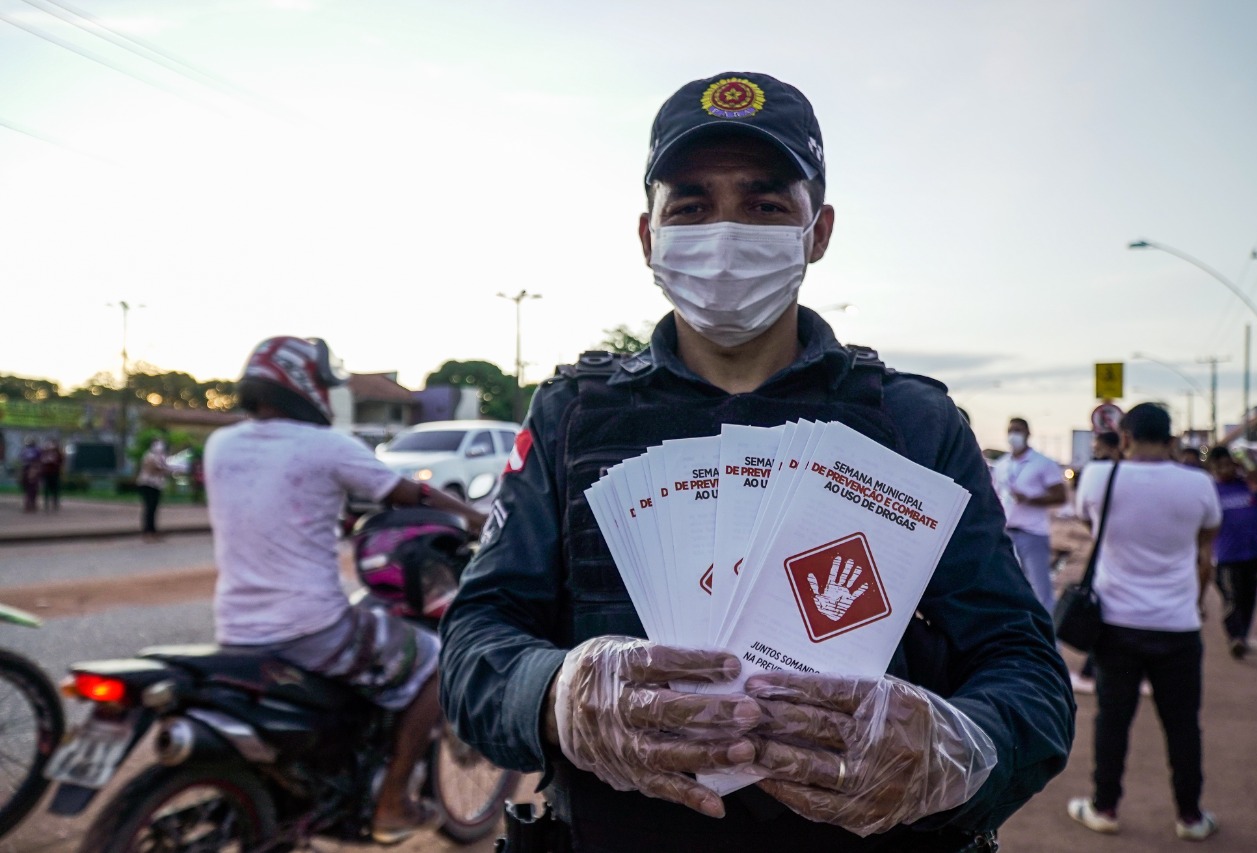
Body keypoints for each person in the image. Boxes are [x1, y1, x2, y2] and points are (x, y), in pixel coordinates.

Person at [439, 72, 1073, 852]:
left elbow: (1026, 669)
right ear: (649, 236)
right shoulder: (572, 416)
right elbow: (476, 641)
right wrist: (555, 694)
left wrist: (960, 749)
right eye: (693, 206)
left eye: (766, 204)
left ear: (819, 230)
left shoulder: (913, 424)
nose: (726, 234)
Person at [204, 336, 487, 844]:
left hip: (235, 629)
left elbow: (278, 509)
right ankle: (393, 802)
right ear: (302, 383)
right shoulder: (326, 447)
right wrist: (475, 517)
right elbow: (410, 491)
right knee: (436, 659)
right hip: (312, 626)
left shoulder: (221, 444)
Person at [1068, 403, 1221, 842]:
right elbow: (1204, 555)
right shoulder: (1199, 483)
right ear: (1172, 440)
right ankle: (1190, 817)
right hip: (1178, 623)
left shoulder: (1100, 477)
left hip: (1116, 623)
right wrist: (1194, 602)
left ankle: (1104, 807)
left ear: (1126, 438)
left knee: (1112, 720)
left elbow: (1089, 524)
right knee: (1183, 725)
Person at [1206, 445, 1257, 659]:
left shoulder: (1249, 485)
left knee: (1248, 598)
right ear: (1213, 468)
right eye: (1218, 466)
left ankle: (1242, 636)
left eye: (1228, 464)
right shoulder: (1213, 490)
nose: (1224, 469)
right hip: (1226, 555)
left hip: (1253, 553)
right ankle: (1235, 636)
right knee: (1232, 597)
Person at [992, 417, 1067, 613]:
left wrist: (1031, 500)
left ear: (1027, 433)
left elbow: (1061, 496)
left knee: (1041, 590)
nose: (1013, 435)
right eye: (1010, 430)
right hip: (1007, 533)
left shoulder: (1042, 463)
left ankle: (1050, 639)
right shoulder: (1002, 464)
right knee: (1009, 589)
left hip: (1033, 533)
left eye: (1018, 430)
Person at [1069, 430, 1122, 695]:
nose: (1095, 451)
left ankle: (1091, 669)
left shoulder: (1098, 473)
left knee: (1100, 607)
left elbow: (1084, 514)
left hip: (1107, 552)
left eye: (1099, 447)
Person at [136, 438, 172, 541]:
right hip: (147, 484)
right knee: (149, 509)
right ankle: (147, 532)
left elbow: (163, 469)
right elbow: (153, 469)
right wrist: (165, 469)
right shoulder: (149, 456)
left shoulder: (162, 457)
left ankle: (153, 531)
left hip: (157, 485)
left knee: (154, 509)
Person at [39, 438, 64, 512]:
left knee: (55, 489)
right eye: (49, 444)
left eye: (52, 444)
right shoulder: (44, 452)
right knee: (46, 489)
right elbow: (41, 461)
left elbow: (61, 461)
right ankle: (46, 503)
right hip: (46, 473)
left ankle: (55, 502)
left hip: (55, 473)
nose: (50, 446)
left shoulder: (58, 453)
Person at [18, 437, 41, 513]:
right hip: (28, 469)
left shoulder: (35, 451)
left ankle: (30, 504)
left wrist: (35, 470)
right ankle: (29, 504)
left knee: (31, 488)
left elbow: (38, 461)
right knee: (30, 488)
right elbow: (22, 460)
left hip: (32, 469)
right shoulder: (26, 451)